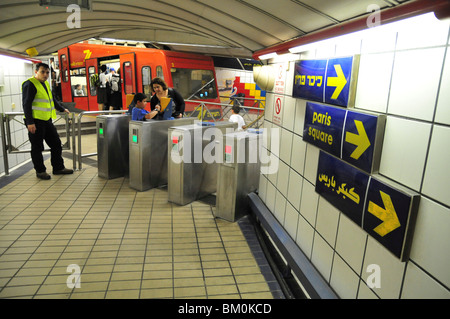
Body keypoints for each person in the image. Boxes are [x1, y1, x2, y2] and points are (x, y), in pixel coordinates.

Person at [22, 62, 74, 180]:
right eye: (42, 72)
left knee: (56, 144)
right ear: (36, 72)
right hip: (35, 121)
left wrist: (61, 108)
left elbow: (52, 99)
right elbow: (26, 104)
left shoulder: (44, 84)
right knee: (37, 147)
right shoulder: (30, 84)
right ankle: (40, 171)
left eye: (47, 72)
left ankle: (58, 167)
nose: (45, 75)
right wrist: (30, 122)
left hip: (46, 120)